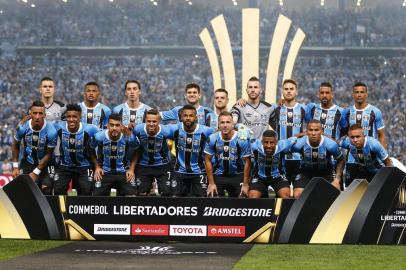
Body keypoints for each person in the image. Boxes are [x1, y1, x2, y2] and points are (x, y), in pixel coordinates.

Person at [290, 120, 345, 198]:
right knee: (298, 195)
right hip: (306, 172)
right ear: (306, 131)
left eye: (316, 130)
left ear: (321, 131)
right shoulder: (298, 144)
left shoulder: (331, 145)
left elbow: (341, 160)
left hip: (326, 173)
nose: (313, 133)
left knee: (335, 193)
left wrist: (337, 179)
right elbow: (284, 151)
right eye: (310, 130)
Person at [12, 101, 57, 194]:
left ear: (44, 115)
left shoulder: (51, 131)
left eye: (40, 113)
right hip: (28, 162)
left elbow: (49, 154)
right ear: (30, 113)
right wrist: (15, 167)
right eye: (35, 113)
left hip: (47, 164)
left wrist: (36, 172)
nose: (37, 116)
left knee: (46, 190)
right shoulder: (22, 127)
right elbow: (15, 145)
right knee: (24, 190)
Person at [53, 104, 99, 196]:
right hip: (64, 166)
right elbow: (43, 125)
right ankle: (62, 210)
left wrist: (97, 165)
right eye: (69, 116)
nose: (71, 119)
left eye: (74, 116)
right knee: (58, 190)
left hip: (84, 167)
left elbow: (105, 135)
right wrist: (23, 123)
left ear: (80, 117)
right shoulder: (59, 126)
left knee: (86, 191)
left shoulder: (91, 129)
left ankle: (82, 210)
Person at [204, 111, 251, 197]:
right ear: (218, 124)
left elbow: (247, 162)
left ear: (233, 124)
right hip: (218, 175)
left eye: (228, 122)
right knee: (212, 197)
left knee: (244, 199)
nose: (225, 125)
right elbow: (207, 160)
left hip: (237, 175)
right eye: (222, 122)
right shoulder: (212, 139)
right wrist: (211, 183)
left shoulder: (242, 139)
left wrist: (245, 184)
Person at [171, 105, 214, 197]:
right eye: (185, 115)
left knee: (202, 199)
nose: (188, 118)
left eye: (191, 116)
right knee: (174, 199)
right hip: (180, 172)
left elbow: (220, 133)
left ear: (196, 117)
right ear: (181, 117)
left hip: (199, 172)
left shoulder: (206, 131)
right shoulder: (175, 129)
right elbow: (159, 129)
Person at [92, 114, 139, 196]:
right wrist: (97, 167)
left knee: (132, 197)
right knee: (97, 199)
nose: (114, 128)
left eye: (117, 125)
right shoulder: (99, 137)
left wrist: (131, 169)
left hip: (123, 173)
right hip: (104, 173)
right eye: (112, 125)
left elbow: (137, 149)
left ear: (121, 126)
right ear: (107, 126)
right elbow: (90, 148)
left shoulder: (128, 137)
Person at [272, 79, 306, 186]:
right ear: (282, 92)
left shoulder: (303, 109)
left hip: (298, 156)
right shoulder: (276, 108)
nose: (289, 91)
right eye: (286, 89)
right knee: (282, 191)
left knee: (299, 193)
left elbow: (314, 126)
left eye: (291, 89)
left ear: (296, 92)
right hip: (281, 157)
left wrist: (300, 135)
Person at [132, 109, 174, 196]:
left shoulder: (167, 131)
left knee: (166, 193)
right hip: (143, 165)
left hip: (163, 165)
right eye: (149, 121)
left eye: (154, 121)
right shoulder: (138, 129)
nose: (151, 124)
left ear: (159, 121)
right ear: (145, 121)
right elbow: (132, 143)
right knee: (141, 193)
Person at [249, 130, 297, 199]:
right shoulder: (255, 145)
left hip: (278, 177)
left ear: (277, 142)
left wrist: (304, 133)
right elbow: (247, 133)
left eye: (271, 142)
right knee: (252, 198)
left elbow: (294, 138)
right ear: (262, 142)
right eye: (266, 142)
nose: (269, 146)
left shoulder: (283, 145)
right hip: (259, 177)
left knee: (285, 197)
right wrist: (239, 126)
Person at [343, 82, 386, 148]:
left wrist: (383, 155)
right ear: (353, 94)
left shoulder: (375, 111)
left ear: (366, 94)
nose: (359, 95)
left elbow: (381, 135)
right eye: (357, 92)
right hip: (353, 153)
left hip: (371, 153)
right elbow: (344, 132)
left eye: (362, 92)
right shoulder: (347, 112)